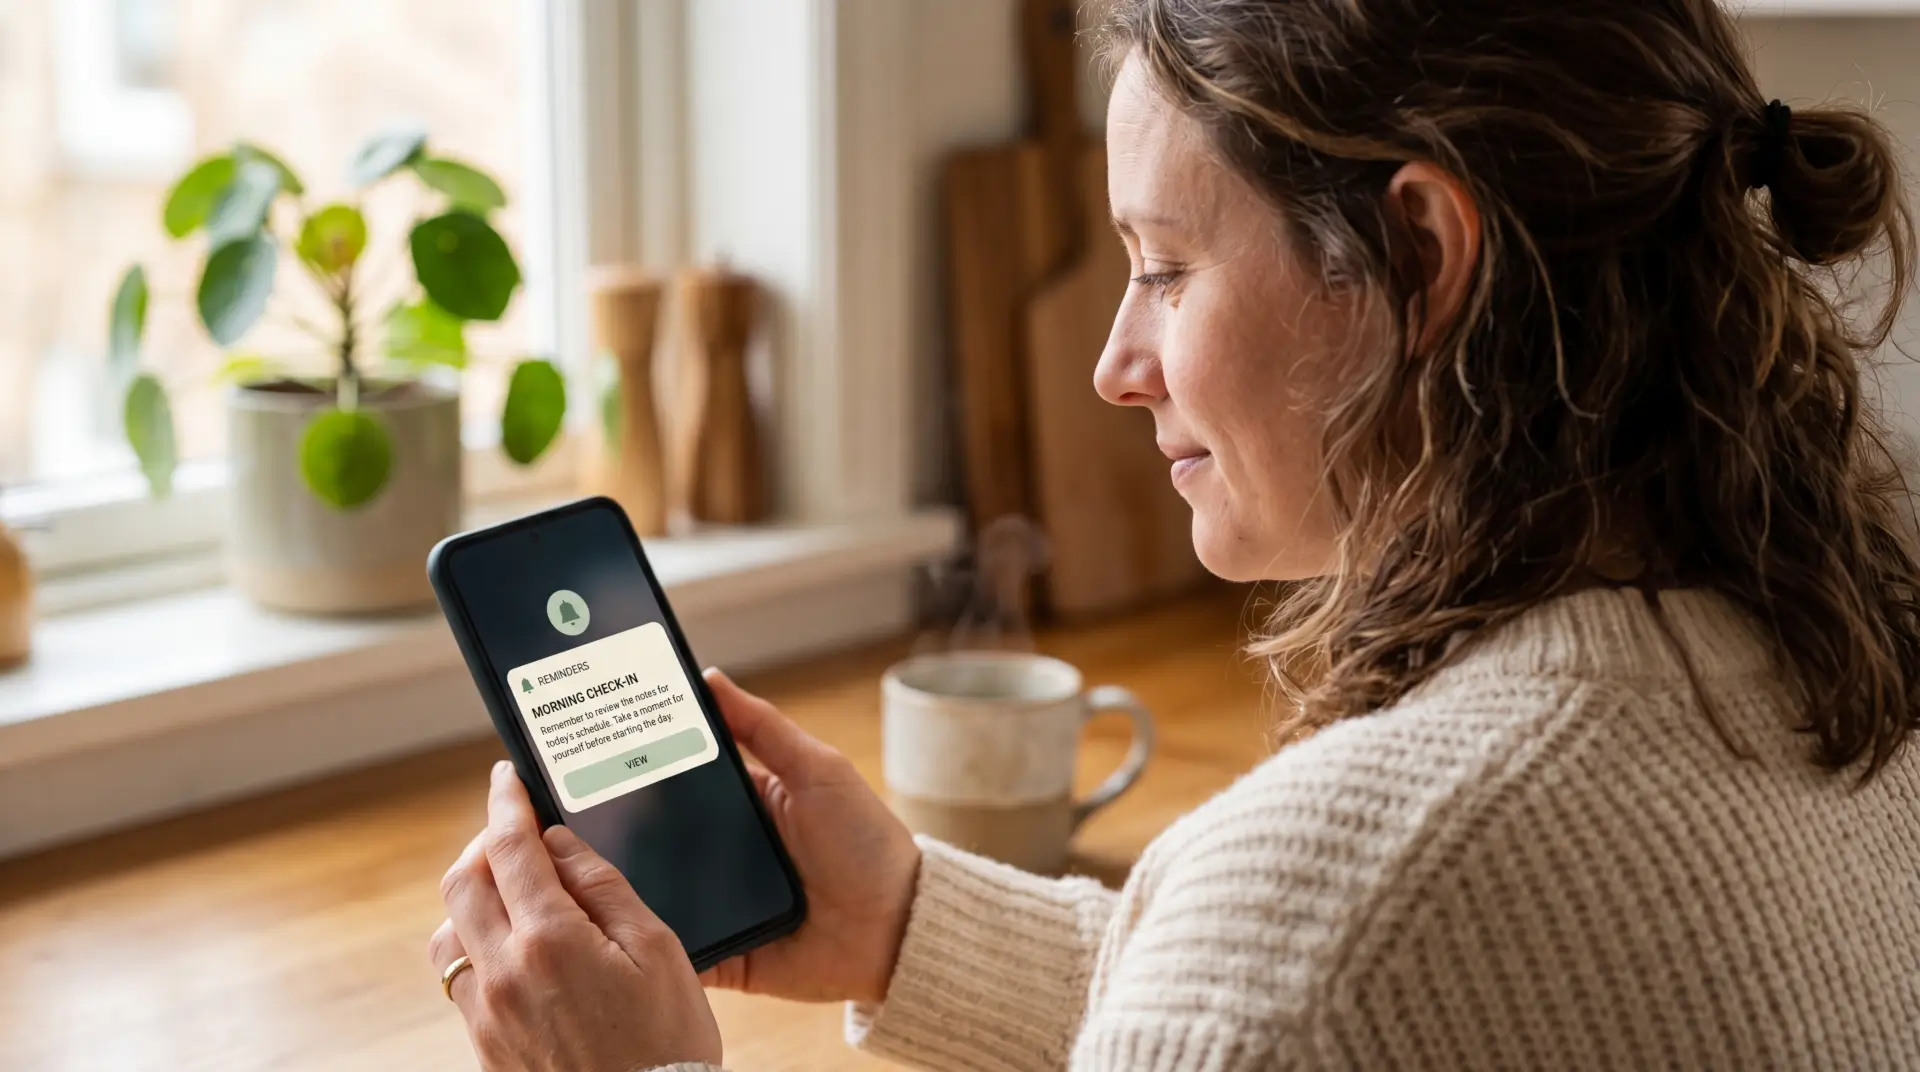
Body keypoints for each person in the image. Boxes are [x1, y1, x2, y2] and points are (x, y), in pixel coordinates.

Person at [426, 0, 1920, 1067]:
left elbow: (1313, 983)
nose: (1113, 364)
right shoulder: (1852, 649)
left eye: (1166, 266)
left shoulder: (1344, 900)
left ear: (1423, 249)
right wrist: (907, 924)